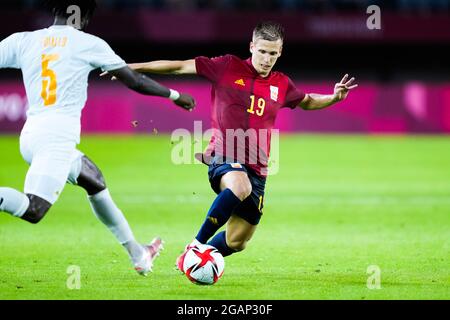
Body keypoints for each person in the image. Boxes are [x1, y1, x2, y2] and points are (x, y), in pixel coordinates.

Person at [106, 21, 357, 271]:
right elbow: (180, 66)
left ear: (280, 52)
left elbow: (308, 101)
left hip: (258, 167)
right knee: (240, 185)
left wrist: (334, 97)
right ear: (251, 47)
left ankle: (192, 262)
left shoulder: (281, 84)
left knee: (238, 241)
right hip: (223, 153)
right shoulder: (227, 66)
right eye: (262, 51)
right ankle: (194, 247)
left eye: (273, 53)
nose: (267, 58)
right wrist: (128, 68)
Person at [0, 0, 195, 276]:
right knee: (34, 209)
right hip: (56, 139)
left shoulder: (23, 41)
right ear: (85, 15)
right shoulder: (88, 43)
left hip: (32, 135)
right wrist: (175, 96)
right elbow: (134, 80)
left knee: (94, 180)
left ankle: (138, 254)